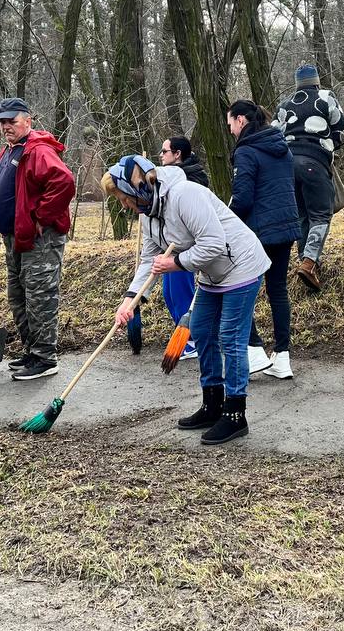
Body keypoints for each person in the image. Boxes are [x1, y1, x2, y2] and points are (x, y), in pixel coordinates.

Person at [104, 154, 270, 445]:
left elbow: (215, 243)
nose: (124, 205)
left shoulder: (186, 195)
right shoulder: (148, 216)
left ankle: (235, 414)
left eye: (123, 197)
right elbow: (149, 261)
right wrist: (130, 300)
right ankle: (212, 404)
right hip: (211, 273)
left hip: (240, 265)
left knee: (230, 337)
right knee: (203, 333)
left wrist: (177, 263)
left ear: (138, 188)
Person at [0, 98, 75, 381]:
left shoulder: (38, 150)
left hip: (40, 239)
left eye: (11, 121)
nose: (6, 126)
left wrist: (41, 217)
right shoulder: (10, 151)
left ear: (27, 121)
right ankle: (32, 351)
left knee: (39, 296)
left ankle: (45, 357)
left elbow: (64, 182)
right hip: (15, 238)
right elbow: (16, 187)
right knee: (18, 296)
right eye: (2, 122)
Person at [228, 100, 303, 380]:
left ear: (241, 121)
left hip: (258, 232)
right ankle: (282, 358)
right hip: (285, 228)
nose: (231, 131)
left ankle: (255, 350)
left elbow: (244, 197)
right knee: (278, 290)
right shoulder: (282, 147)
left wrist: (226, 219)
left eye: (231, 124)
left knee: (236, 287)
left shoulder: (246, 151)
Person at [275, 64, 344, 292]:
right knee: (320, 214)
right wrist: (328, 146)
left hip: (287, 165)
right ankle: (309, 262)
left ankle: (304, 260)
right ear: (316, 82)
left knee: (302, 215)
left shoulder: (285, 105)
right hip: (314, 163)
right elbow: (343, 132)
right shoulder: (326, 98)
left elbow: (276, 134)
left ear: (297, 84)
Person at [157, 136, 209, 362]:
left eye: (164, 151)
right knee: (168, 292)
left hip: (184, 245)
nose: (161, 155)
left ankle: (193, 337)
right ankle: (182, 332)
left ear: (177, 154)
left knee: (181, 292)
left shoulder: (191, 177)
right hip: (169, 243)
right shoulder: (167, 178)